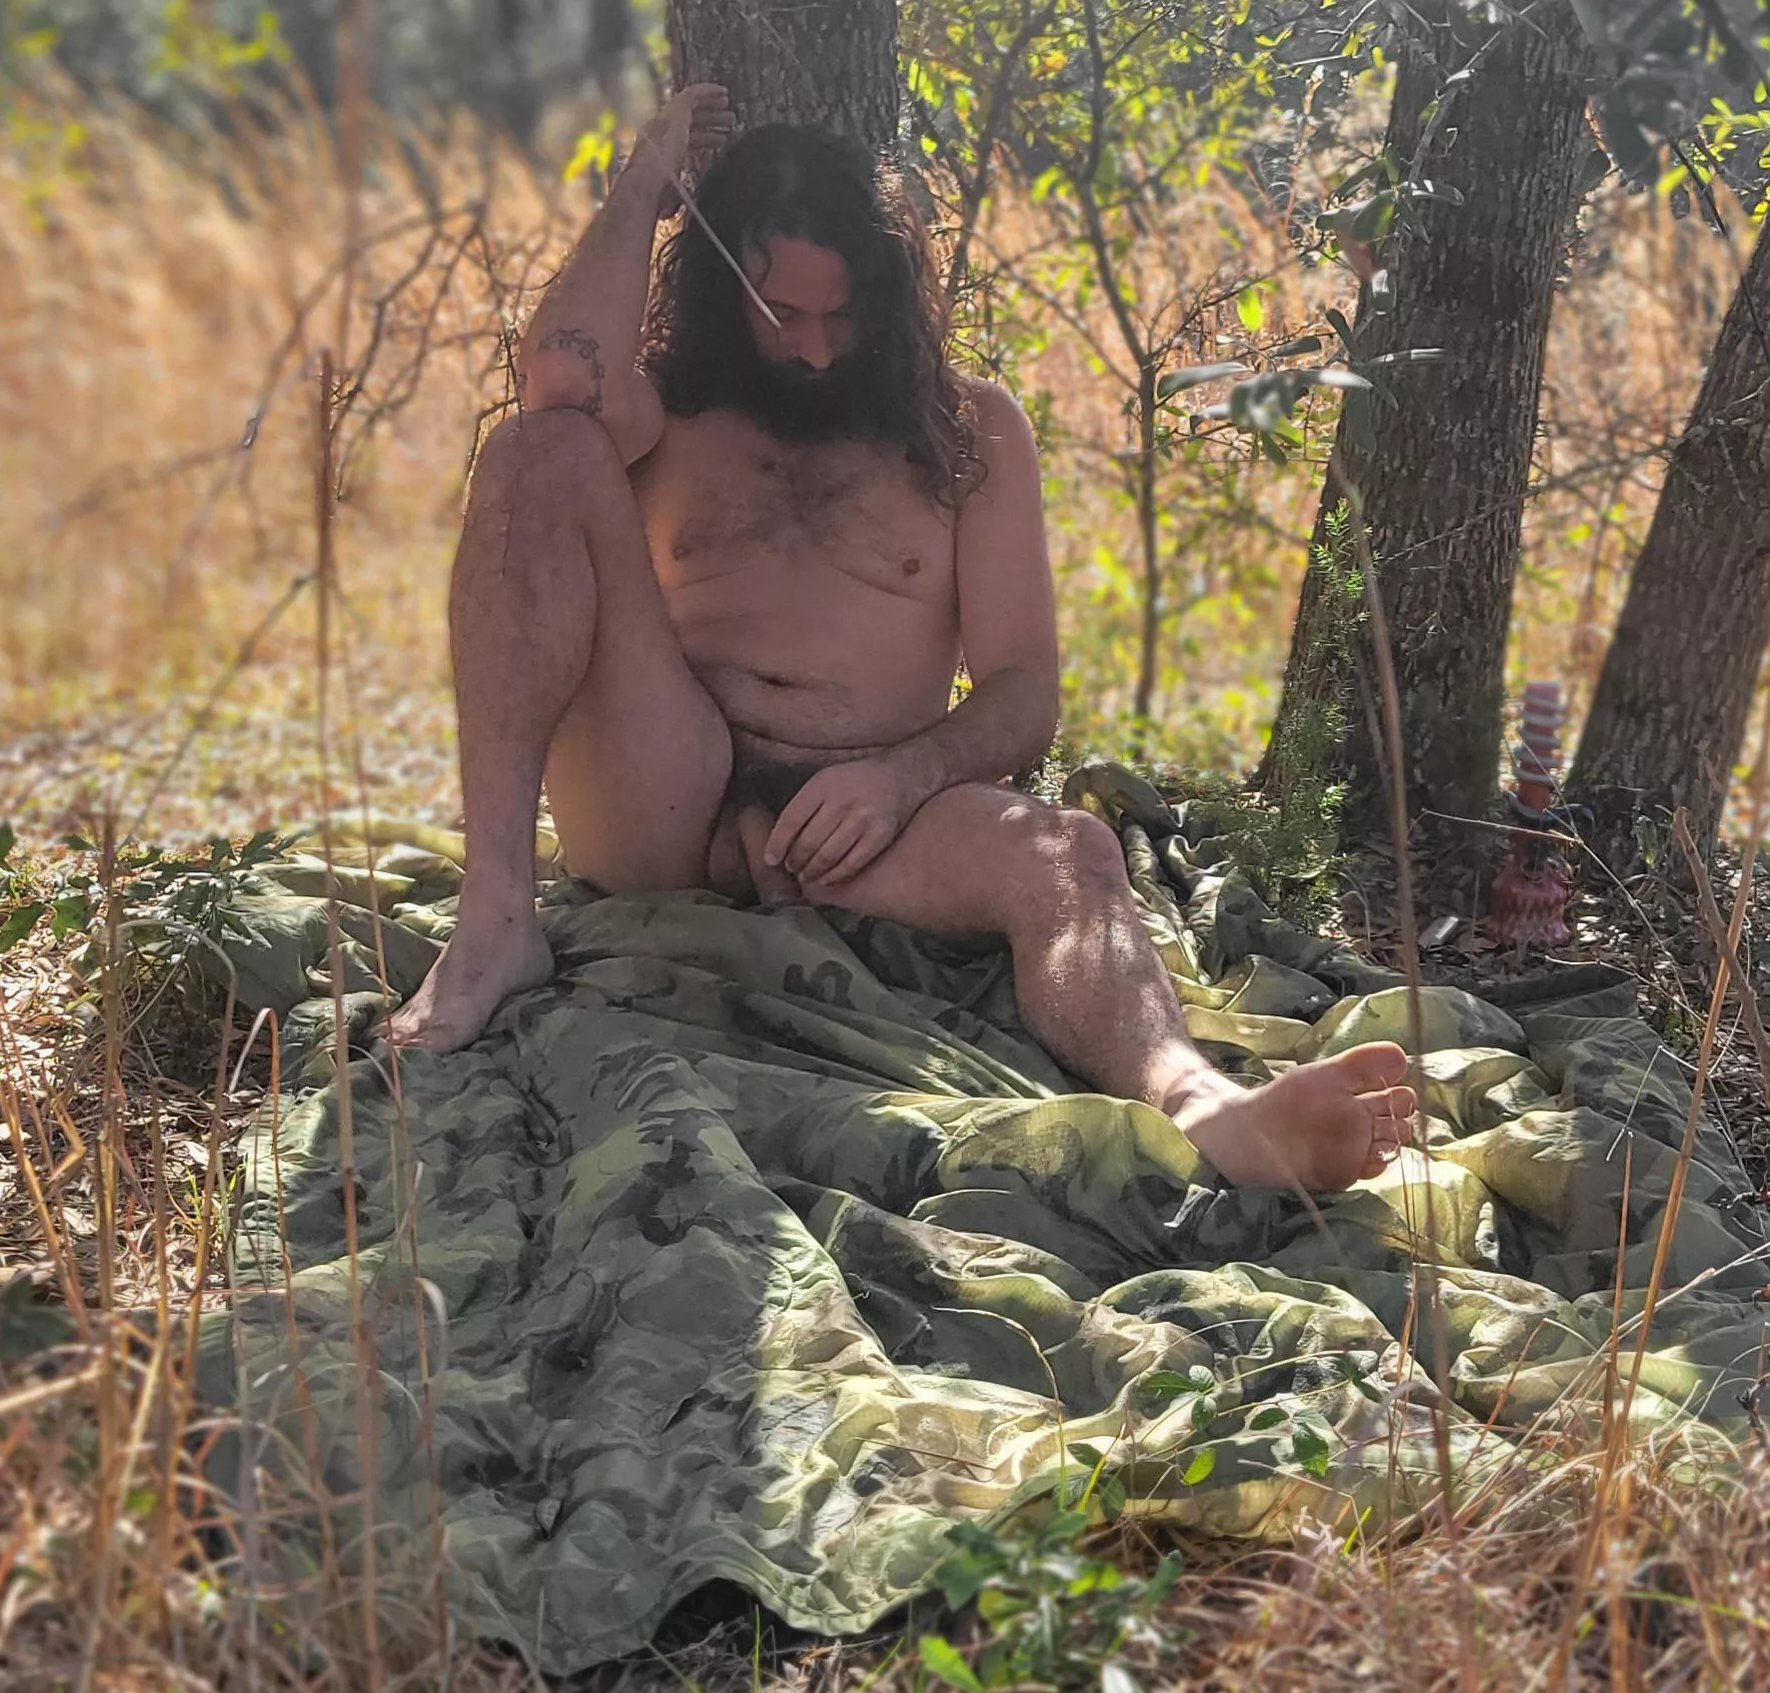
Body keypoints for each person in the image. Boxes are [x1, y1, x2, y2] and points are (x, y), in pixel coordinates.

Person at [390, 85, 1417, 1195]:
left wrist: (900, 774)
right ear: (720, 284)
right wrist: (645, 187)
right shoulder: (665, 415)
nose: (819, 350)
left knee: (1073, 854)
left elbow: (1025, 694)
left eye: (844, 314)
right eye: (782, 312)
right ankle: (493, 919)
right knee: (541, 450)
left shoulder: (969, 429)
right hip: (664, 791)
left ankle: (1204, 1105)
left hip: (874, 820)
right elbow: (560, 375)